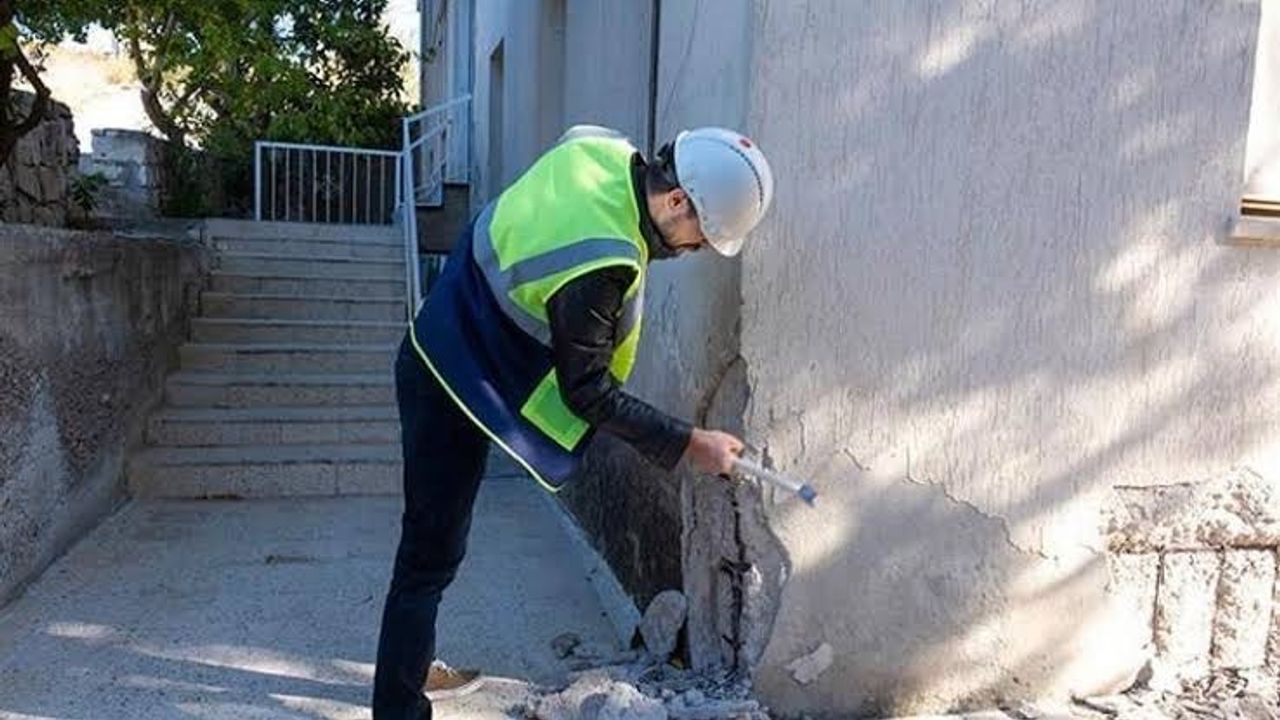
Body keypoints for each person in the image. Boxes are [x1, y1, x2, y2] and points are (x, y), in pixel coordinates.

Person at [372, 124, 775, 719]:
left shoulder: (601, 150)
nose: (696, 251)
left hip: (455, 338)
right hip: (448, 380)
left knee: (434, 549)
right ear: (676, 201)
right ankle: (398, 703)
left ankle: (408, 664)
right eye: (702, 239)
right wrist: (692, 443)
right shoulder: (603, 262)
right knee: (430, 552)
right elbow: (587, 392)